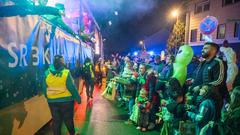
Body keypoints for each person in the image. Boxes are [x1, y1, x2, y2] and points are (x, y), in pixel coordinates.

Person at [43, 55, 81, 135]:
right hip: (66, 101)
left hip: (52, 102)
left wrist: (48, 97)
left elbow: (44, 87)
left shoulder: (47, 72)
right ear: (62, 62)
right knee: (68, 119)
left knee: (56, 121)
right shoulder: (65, 72)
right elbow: (72, 88)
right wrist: (78, 99)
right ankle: (72, 133)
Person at [191, 42, 227, 120]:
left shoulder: (218, 62)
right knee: (198, 121)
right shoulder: (203, 63)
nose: (202, 50)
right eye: (203, 48)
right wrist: (192, 82)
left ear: (214, 51)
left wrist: (201, 87)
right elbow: (198, 77)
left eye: (205, 48)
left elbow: (219, 81)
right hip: (198, 98)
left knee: (206, 124)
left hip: (211, 100)